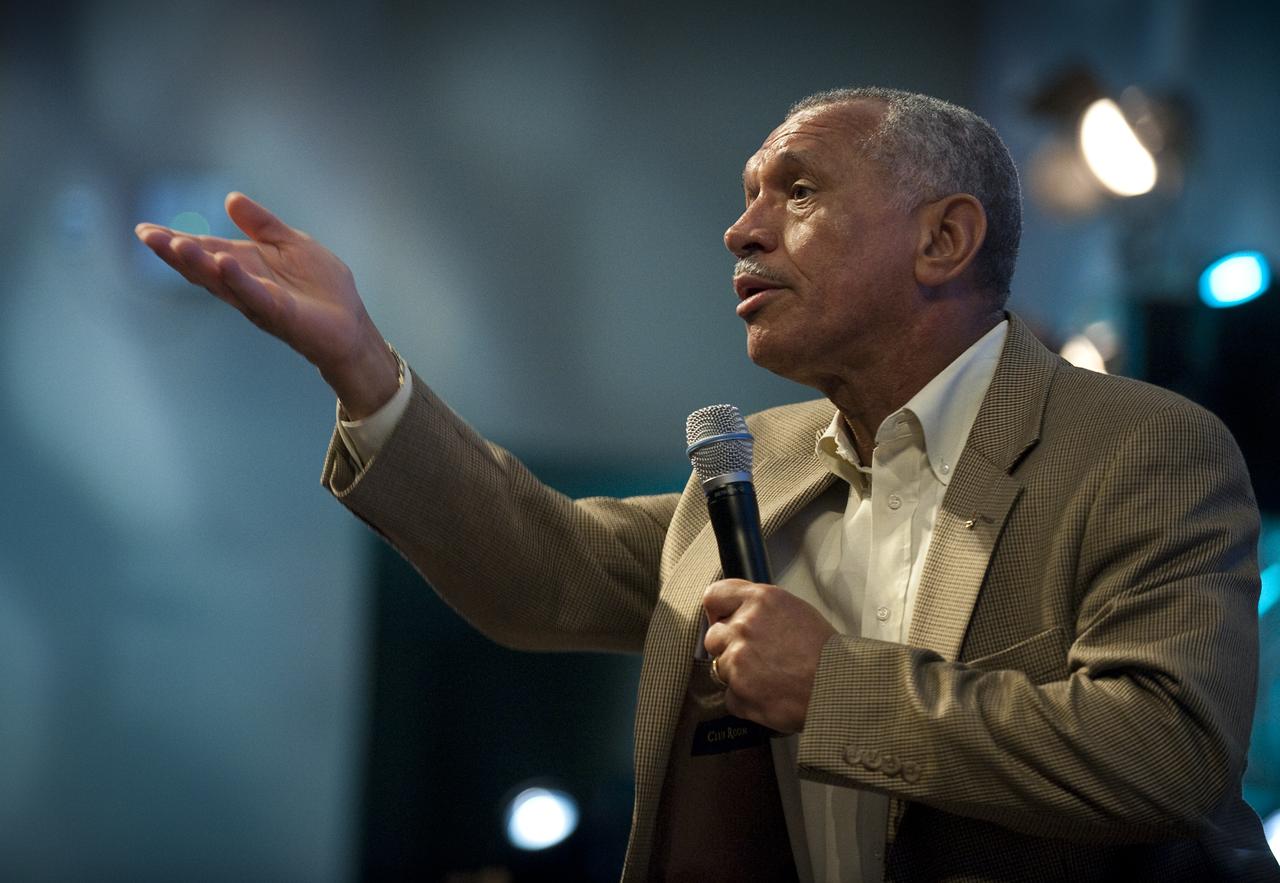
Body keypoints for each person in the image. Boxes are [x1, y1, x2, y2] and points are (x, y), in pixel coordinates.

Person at [136, 87, 1278, 881]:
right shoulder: (756, 464)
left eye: (792, 190)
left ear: (942, 241)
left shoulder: (1140, 449)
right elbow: (541, 573)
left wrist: (834, 688)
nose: (738, 230)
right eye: (745, 197)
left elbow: (1164, 753)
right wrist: (362, 366)